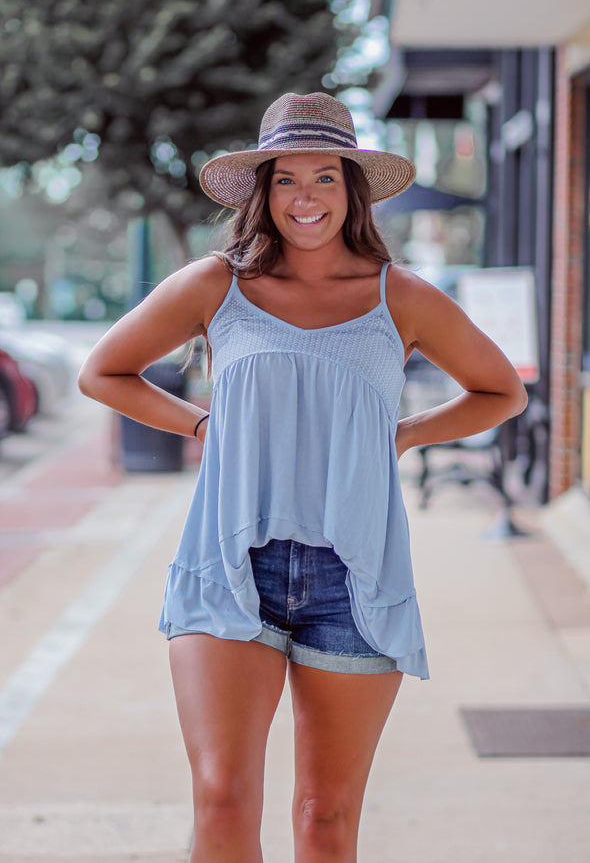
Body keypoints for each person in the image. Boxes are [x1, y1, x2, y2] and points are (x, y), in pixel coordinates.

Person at [78, 92, 528, 863]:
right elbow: (103, 372)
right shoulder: (216, 285)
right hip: (229, 566)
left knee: (325, 818)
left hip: (351, 580)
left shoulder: (402, 297)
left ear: (352, 187)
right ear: (264, 189)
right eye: (286, 179)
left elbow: (502, 390)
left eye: (325, 176)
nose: (305, 197)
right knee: (221, 800)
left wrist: (406, 435)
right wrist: (200, 424)